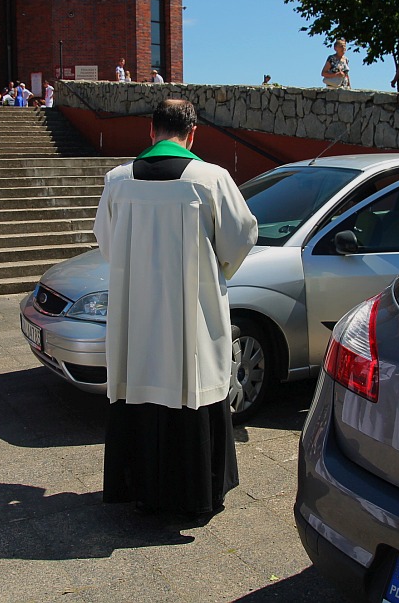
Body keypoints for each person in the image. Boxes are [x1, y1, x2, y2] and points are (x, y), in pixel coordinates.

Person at [92, 99, 258, 518]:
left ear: (151, 131)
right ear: (193, 133)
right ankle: (196, 492)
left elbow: (108, 245)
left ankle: (140, 488)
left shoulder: (118, 180)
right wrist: (215, 268)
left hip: (137, 316)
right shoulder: (211, 178)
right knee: (193, 382)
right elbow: (241, 236)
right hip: (192, 317)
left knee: (139, 383)